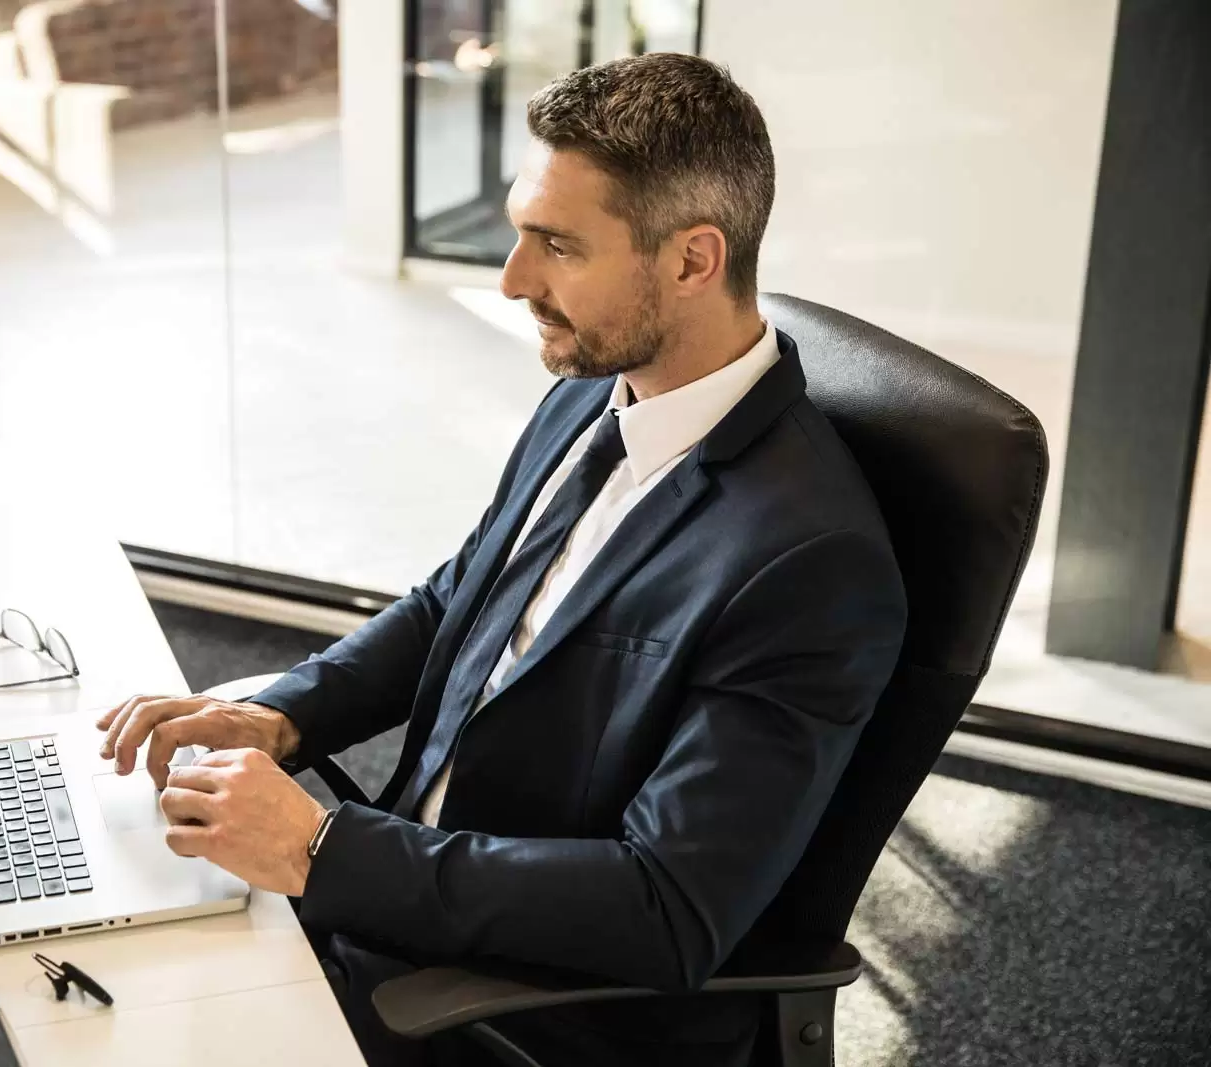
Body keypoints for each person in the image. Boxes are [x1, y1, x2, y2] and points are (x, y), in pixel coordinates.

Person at [97, 53, 906, 1067]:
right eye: (521, 230)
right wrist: (282, 711)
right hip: (386, 901)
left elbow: (665, 906)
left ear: (694, 260)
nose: (514, 278)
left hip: (524, 1006)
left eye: (557, 245)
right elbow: (460, 597)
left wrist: (320, 847)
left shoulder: (807, 562)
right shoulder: (593, 388)